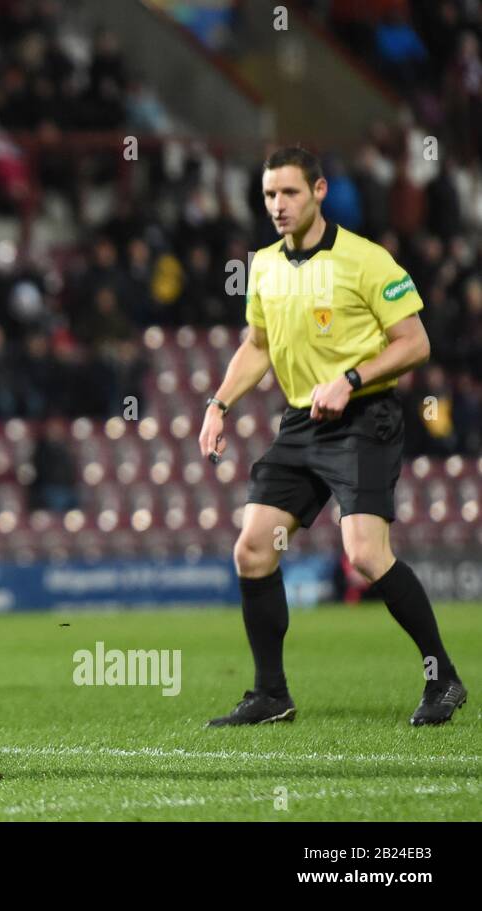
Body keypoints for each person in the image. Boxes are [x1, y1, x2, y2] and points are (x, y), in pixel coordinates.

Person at [199, 146, 465, 728]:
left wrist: (350, 379)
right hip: (301, 422)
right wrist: (220, 403)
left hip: (364, 419)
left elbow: (415, 343)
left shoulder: (366, 260)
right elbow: (258, 346)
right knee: (251, 548)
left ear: (319, 192)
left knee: (366, 555)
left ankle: (442, 677)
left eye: (290, 193)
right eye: (270, 195)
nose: (278, 205)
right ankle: (271, 694)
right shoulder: (264, 264)